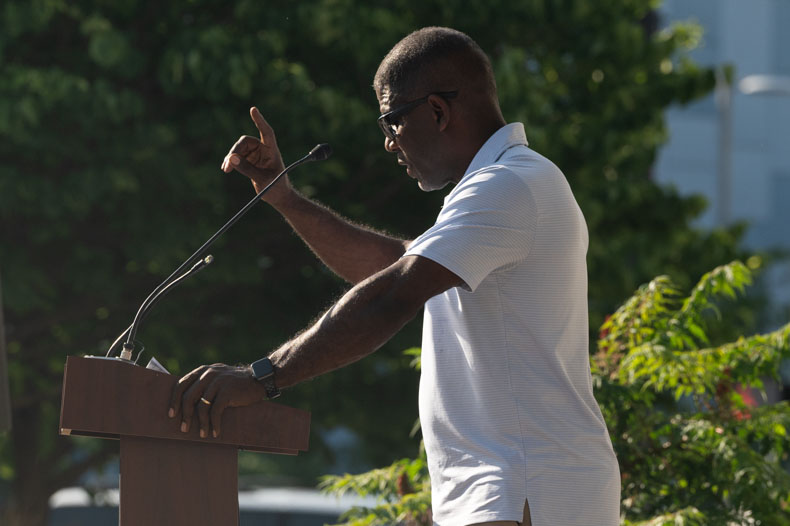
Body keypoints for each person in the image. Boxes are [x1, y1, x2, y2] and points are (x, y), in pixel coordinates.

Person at [169, 27, 620, 526]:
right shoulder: (502, 185)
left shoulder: (508, 186)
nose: (388, 143)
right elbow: (392, 264)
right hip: (514, 488)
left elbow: (393, 294)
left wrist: (262, 376)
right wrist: (287, 200)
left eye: (391, 121)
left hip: (525, 486)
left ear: (437, 111)